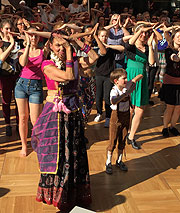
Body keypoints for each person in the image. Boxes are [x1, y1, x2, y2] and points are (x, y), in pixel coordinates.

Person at [31, 29, 98, 211]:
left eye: (63, 45)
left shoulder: (74, 60)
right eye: (58, 45)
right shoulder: (47, 64)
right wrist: (69, 50)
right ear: (51, 46)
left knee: (74, 152)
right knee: (55, 154)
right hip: (54, 115)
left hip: (73, 113)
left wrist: (78, 42)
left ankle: (73, 191)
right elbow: (68, 76)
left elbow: (94, 58)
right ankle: (56, 192)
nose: (61, 48)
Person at [15, 27, 48, 157]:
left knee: (35, 120)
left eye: (35, 36)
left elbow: (51, 35)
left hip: (36, 86)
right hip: (21, 85)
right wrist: (28, 43)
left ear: (39, 37)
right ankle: (24, 145)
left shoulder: (43, 51)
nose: (33, 38)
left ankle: (37, 143)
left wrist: (37, 32)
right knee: (23, 118)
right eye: (31, 36)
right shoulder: (21, 51)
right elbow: (23, 63)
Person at [105, 68, 143, 174]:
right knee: (112, 141)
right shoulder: (114, 90)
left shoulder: (127, 86)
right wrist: (127, 93)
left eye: (126, 78)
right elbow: (113, 101)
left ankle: (119, 160)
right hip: (115, 118)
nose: (126, 80)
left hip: (126, 117)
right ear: (116, 81)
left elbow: (140, 76)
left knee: (122, 140)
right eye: (124, 78)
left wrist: (134, 81)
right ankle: (108, 162)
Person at [124, 23, 155, 149]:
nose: (143, 35)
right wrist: (140, 29)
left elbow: (152, 62)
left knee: (140, 110)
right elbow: (130, 41)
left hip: (142, 78)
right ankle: (126, 132)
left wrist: (150, 46)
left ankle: (131, 136)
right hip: (130, 77)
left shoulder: (147, 48)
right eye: (141, 33)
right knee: (130, 109)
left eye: (145, 33)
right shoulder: (130, 46)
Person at [94, 29, 125, 128]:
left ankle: (108, 116)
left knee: (107, 97)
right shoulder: (95, 48)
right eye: (102, 36)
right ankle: (99, 113)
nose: (104, 38)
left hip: (108, 75)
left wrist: (109, 46)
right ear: (98, 37)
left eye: (106, 36)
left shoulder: (111, 48)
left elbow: (122, 48)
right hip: (98, 74)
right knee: (98, 96)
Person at [0, 19, 23, 136]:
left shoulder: (18, 40)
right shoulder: (0, 43)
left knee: (19, 100)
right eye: (6, 29)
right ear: (1, 30)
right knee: (6, 101)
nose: (9, 31)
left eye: (11, 29)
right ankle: (8, 124)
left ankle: (19, 124)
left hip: (18, 75)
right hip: (5, 76)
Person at [160, 29, 180, 137]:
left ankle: (172, 126)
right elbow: (175, 59)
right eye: (178, 36)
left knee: (178, 107)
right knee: (170, 107)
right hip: (170, 82)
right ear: (173, 38)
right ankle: (165, 127)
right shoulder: (169, 50)